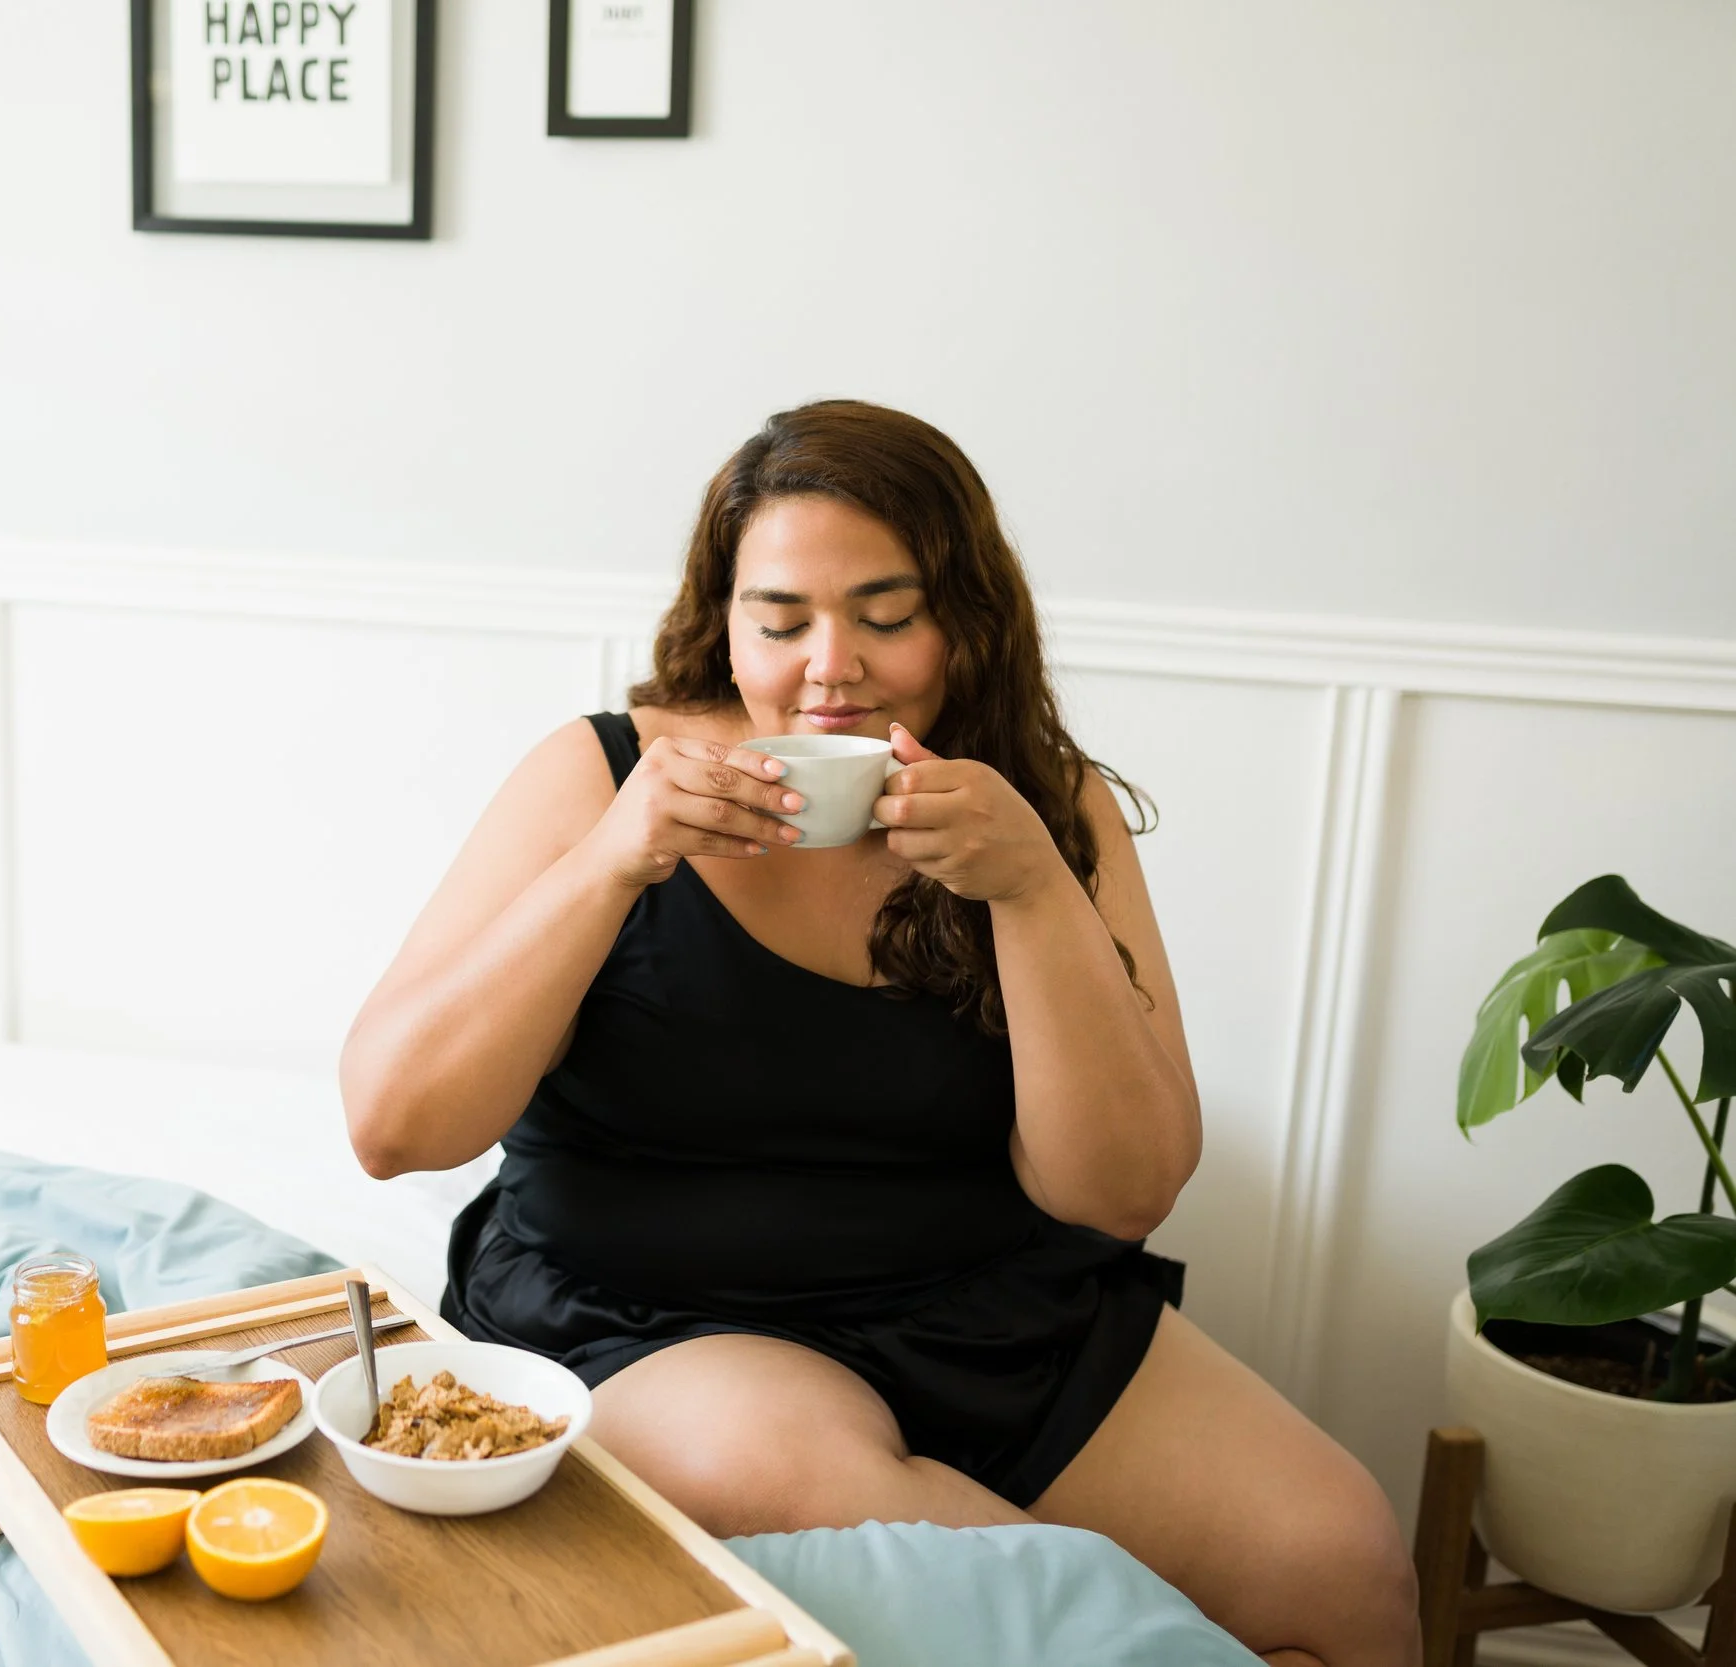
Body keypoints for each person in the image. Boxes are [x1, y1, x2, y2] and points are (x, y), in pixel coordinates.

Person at [340, 401, 1419, 1666]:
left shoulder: (1043, 805)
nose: (828, 666)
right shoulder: (601, 775)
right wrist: (614, 862)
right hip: (661, 1317)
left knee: (1338, 1560)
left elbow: (1119, 1196)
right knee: (809, 1479)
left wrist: (1029, 887)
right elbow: (391, 1125)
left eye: (886, 615)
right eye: (780, 619)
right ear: (722, 622)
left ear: (966, 618)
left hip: (989, 1309)